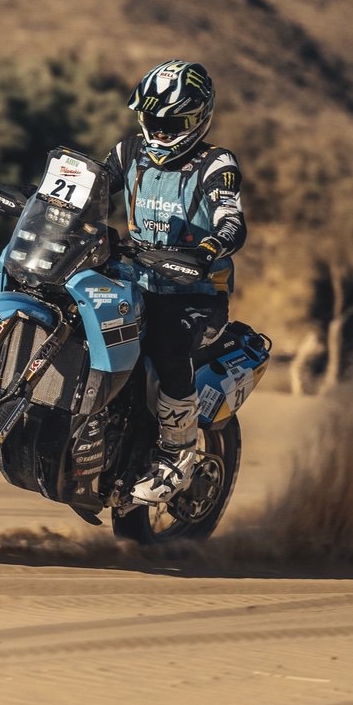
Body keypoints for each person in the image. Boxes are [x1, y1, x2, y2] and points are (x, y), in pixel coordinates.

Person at [103, 59, 247, 503]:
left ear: (200, 118)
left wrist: (208, 248)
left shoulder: (217, 164)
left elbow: (231, 219)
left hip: (196, 294)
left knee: (167, 344)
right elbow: (92, 188)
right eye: (154, 121)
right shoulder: (128, 152)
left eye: (174, 123)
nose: (162, 132)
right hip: (134, 281)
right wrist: (45, 200)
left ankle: (177, 451)